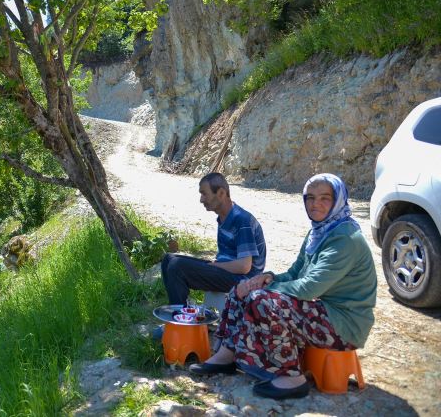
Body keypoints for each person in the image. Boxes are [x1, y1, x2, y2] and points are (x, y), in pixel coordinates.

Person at [189, 173, 377, 401]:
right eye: (310, 198)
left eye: (325, 198)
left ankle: (291, 378)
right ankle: (227, 355)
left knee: (261, 299)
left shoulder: (344, 239)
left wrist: (264, 288)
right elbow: (295, 273)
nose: (315, 204)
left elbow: (309, 288)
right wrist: (265, 278)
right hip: (325, 310)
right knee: (243, 288)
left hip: (345, 324)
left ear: (338, 200)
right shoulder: (319, 232)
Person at [161, 172, 267, 307]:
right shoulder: (223, 218)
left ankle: (180, 319)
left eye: (204, 194)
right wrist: (214, 265)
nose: (201, 199)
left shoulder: (242, 220)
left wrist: (215, 265)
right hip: (228, 272)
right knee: (168, 260)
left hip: (244, 280)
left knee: (177, 266)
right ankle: (180, 311)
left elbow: (244, 266)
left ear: (221, 193)